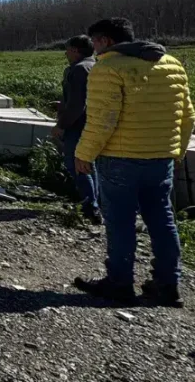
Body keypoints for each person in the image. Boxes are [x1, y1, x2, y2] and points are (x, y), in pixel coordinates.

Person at [72, 18, 194, 307]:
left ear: (107, 41)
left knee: (120, 222)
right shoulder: (173, 65)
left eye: (96, 42)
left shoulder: (109, 68)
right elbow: (187, 115)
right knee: (163, 219)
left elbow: (103, 119)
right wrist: (176, 151)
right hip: (161, 157)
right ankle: (167, 285)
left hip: (120, 158)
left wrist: (84, 154)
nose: (95, 49)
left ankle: (119, 282)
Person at [51, 35, 100, 224]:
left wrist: (61, 125)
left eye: (68, 49)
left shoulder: (79, 70)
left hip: (78, 125)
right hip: (93, 123)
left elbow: (77, 105)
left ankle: (90, 207)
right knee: (89, 164)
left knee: (77, 164)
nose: (65, 53)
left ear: (76, 51)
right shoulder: (94, 66)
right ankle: (96, 203)